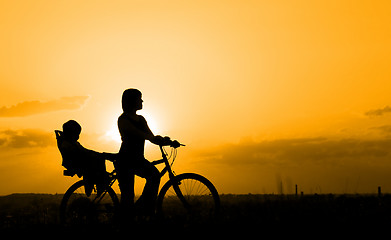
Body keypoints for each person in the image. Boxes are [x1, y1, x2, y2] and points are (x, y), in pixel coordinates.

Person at [117, 88, 175, 216]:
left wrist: (167, 142)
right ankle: (126, 218)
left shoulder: (141, 119)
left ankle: (143, 208)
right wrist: (152, 138)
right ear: (132, 101)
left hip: (138, 159)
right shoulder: (123, 119)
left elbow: (151, 137)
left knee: (154, 176)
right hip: (126, 160)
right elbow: (139, 133)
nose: (142, 101)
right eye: (139, 98)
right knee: (127, 197)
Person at [59, 120, 115, 196]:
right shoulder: (67, 144)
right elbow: (81, 153)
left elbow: (84, 150)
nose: (78, 137)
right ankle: (100, 184)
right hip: (79, 163)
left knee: (100, 158)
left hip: (82, 161)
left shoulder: (71, 143)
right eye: (77, 134)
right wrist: (97, 155)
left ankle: (100, 181)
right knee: (100, 159)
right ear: (71, 133)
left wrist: (97, 154)